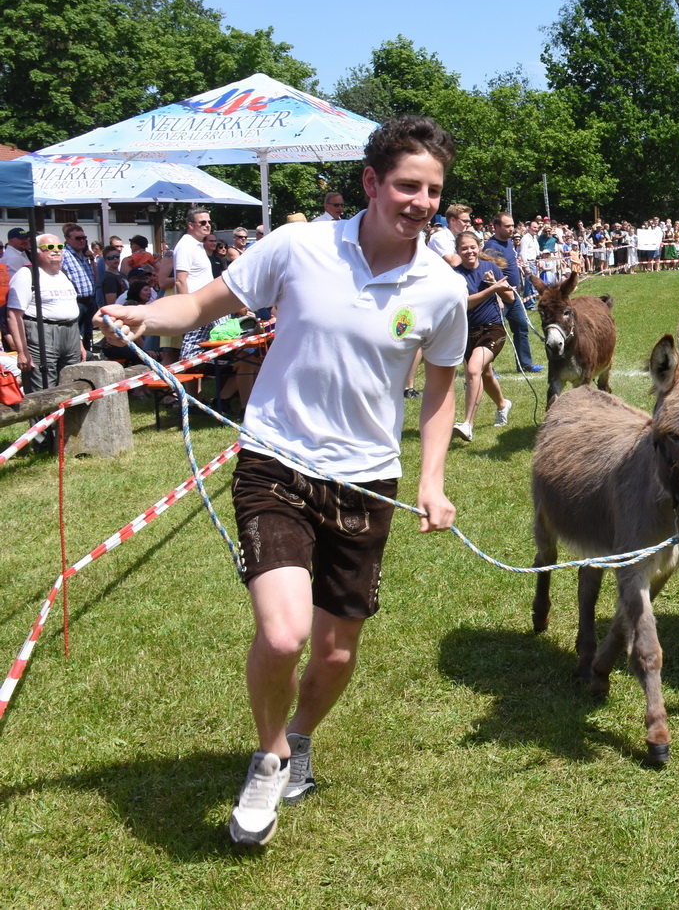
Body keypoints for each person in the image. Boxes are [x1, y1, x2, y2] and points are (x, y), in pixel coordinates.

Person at [99, 115, 466, 848]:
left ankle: (299, 735)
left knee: (334, 650)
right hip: (277, 460)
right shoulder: (298, 247)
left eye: (432, 190)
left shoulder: (443, 289)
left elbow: (439, 388)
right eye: (406, 185)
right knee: (283, 629)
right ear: (370, 182)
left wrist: (432, 478)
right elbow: (203, 307)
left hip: (366, 480)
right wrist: (146, 314)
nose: (420, 201)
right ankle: (267, 755)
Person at [451, 231, 514, 440]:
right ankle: (503, 404)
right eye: (464, 248)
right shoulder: (454, 275)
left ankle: (467, 424)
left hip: (492, 329)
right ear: (457, 251)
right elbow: (464, 303)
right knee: (484, 375)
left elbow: (511, 297)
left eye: (472, 247)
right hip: (467, 332)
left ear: (479, 247)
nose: (469, 251)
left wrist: (495, 285)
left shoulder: (490, 268)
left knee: (473, 368)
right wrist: (491, 289)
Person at [6, 233, 84, 393]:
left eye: (59, 247)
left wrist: (79, 343)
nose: (56, 251)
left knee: (72, 384)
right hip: (42, 334)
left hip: (71, 334)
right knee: (43, 388)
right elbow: (14, 315)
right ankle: (45, 419)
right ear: (36, 252)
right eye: (49, 247)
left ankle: (66, 419)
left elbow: (70, 310)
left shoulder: (64, 274)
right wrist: (22, 352)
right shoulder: (26, 275)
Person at [483, 213, 542, 373]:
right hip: (499, 297)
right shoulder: (491, 247)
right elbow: (488, 275)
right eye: (507, 226)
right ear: (496, 227)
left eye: (512, 225)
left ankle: (525, 364)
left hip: (514, 296)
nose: (512, 229)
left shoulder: (508, 242)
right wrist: (498, 297)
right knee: (494, 334)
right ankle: (488, 369)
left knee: (521, 328)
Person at [174, 209, 217, 359]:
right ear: (191, 225)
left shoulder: (197, 245)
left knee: (199, 357)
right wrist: (187, 310)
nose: (207, 225)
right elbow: (180, 280)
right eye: (202, 222)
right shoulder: (186, 246)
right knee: (190, 356)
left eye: (209, 222)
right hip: (196, 309)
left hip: (208, 306)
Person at [59, 223, 100, 346]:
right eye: (78, 238)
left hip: (89, 301)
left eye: (84, 238)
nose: (82, 241)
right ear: (67, 239)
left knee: (88, 334)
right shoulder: (64, 255)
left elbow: (95, 277)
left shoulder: (83, 255)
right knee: (77, 335)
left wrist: (91, 259)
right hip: (75, 301)